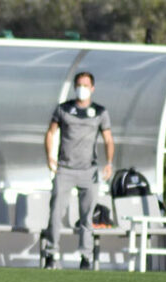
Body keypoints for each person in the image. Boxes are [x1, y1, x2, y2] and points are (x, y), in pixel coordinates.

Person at [43, 71, 114, 270]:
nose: (82, 88)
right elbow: (50, 133)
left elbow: (108, 139)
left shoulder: (100, 112)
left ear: (92, 88)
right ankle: (51, 254)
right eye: (79, 85)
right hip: (65, 169)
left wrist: (109, 163)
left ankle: (86, 257)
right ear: (75, 87)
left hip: (88, 171)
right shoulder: (64, 109)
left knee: (87, 216)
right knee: (56, 212)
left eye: (86, 85)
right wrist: (50, 156)